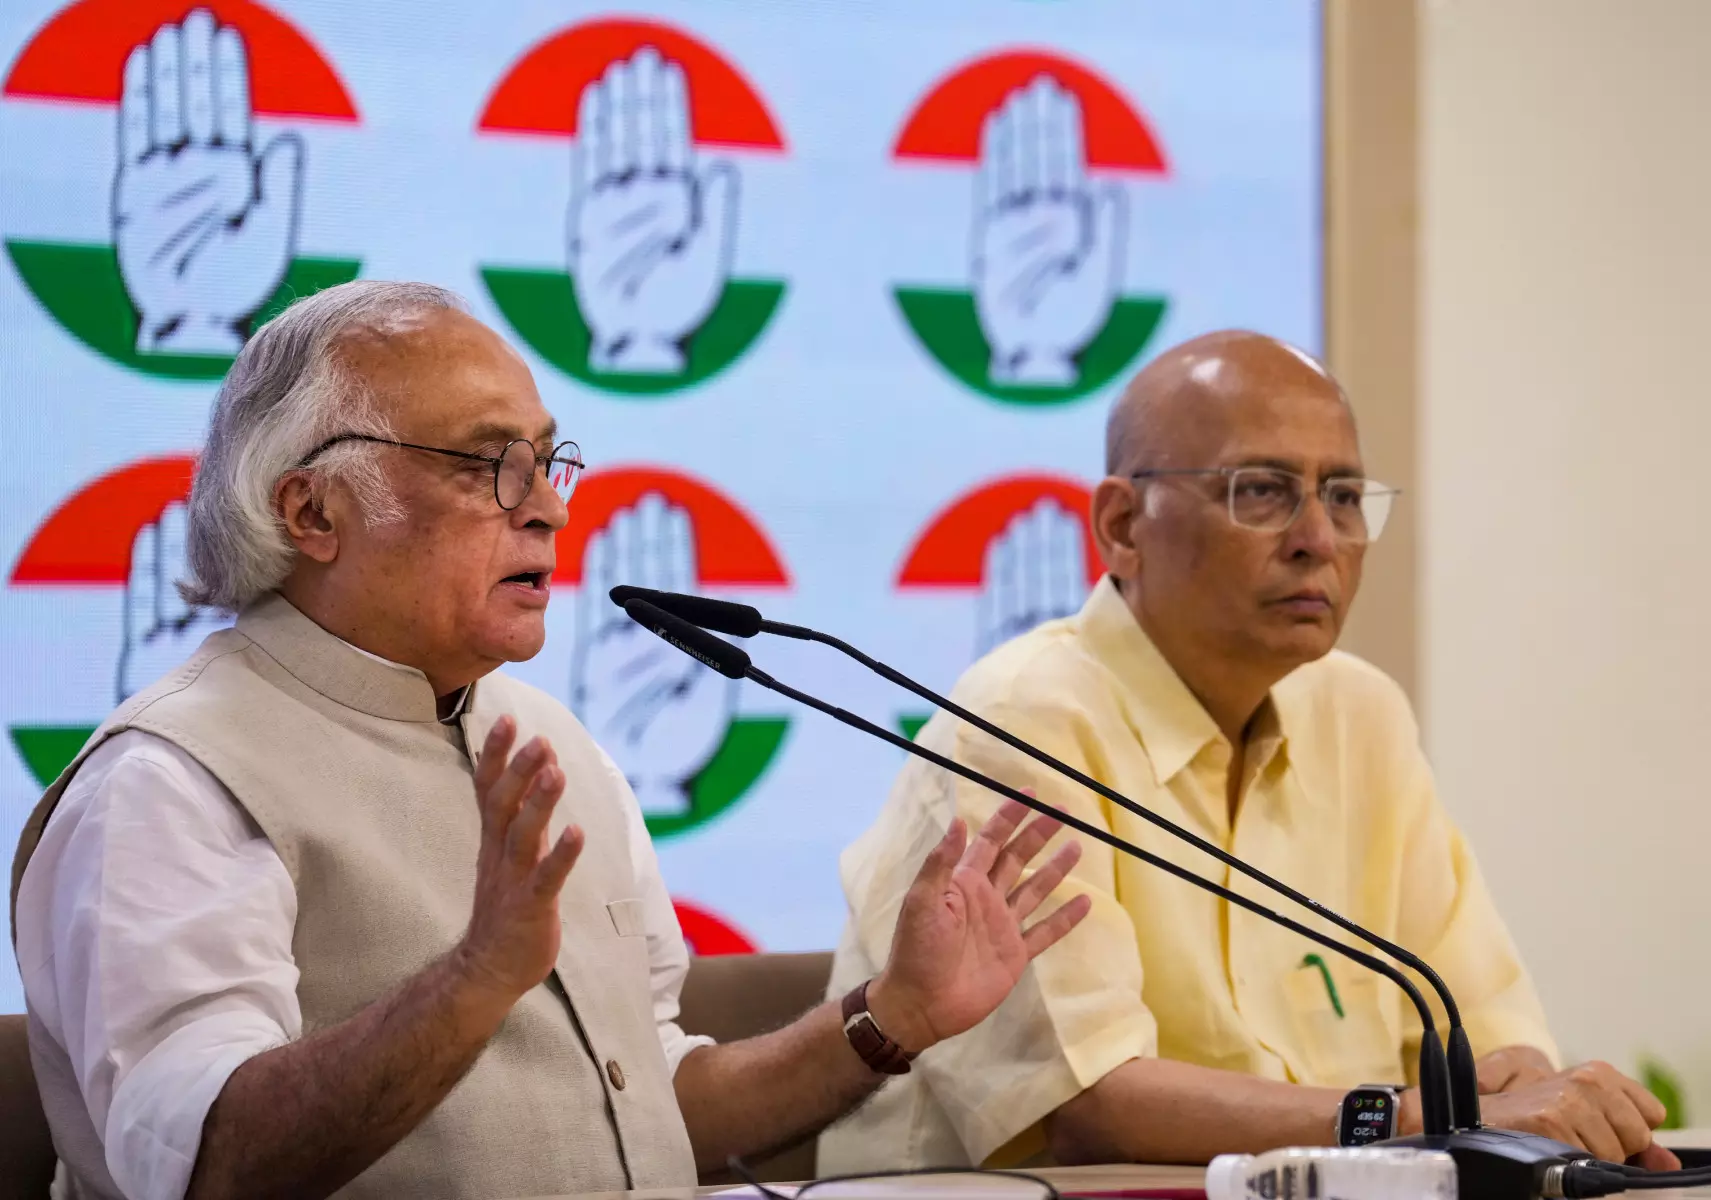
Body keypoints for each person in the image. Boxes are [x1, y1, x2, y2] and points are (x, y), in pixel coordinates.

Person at [9, 282, 1092, 1200]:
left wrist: (891, 1016)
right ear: (313, 513)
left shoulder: (550, 743)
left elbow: (653, 1107)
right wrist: (473, 980)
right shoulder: (172, 782)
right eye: (485, 465)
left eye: (546, 461)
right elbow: (202, 1164)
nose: (550, 512)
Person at [821, 331, 1678, 1173]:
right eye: (1264, 492)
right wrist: (1413, 1119)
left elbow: (1483, 1039)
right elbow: (1085, 1104)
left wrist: (1529, 1092)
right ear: (1123, 525)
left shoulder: (1360, 714)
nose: (1320, 538)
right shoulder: (1021, 722)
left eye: (1344, 496)